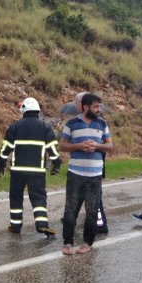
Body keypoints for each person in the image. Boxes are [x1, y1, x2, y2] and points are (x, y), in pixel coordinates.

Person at [0, 97, 61, 237]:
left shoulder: (15, 126)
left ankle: (16, 226)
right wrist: (56, 163)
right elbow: (52, 148)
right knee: (38, 198)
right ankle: (42, 225)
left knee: (16, 197)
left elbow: (6, 148)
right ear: (37, 110)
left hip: (18, 171)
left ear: (23, 110)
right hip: (37, 171)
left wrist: (0, 164)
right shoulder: (45, 127)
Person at [59, 93, 113, 255]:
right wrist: (79, 146)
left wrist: (96, 145)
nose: (98, 110)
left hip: (95, 176)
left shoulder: (102, 124)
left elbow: (110, 146)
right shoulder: (72, 123)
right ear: (85, 107)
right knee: (70, 211)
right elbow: (62, 145)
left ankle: (87, 243)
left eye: (99, 107)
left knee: (92, 211)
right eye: (95, 107)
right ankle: (67, 243)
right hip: (75, 175)